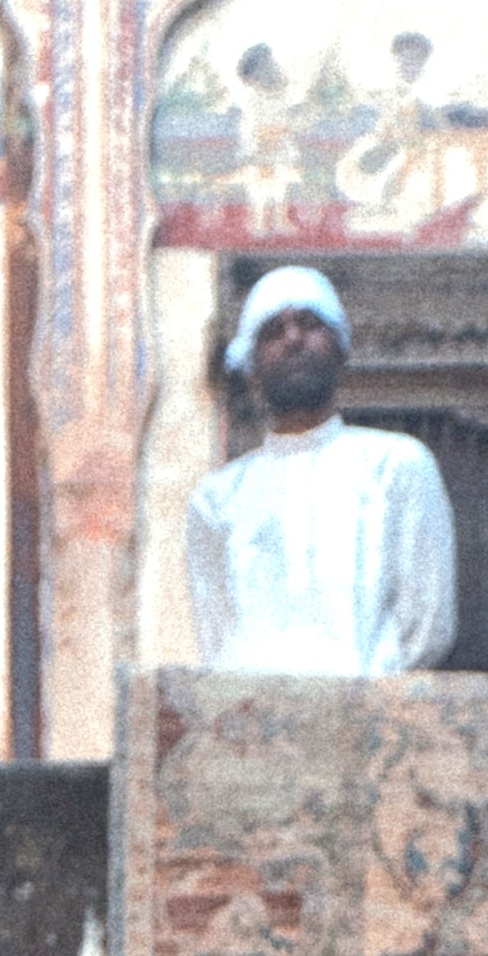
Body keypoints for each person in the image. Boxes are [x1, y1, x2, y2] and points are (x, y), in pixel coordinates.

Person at [183, 261, 460, 680]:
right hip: (257, 732)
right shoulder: (217, 499)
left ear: (341, 350)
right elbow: (219, 638)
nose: (293, 338)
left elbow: (427, 623)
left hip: (377, 724)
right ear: (252, 371)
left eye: (309, 323)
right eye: (273, 331)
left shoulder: (398, 465)